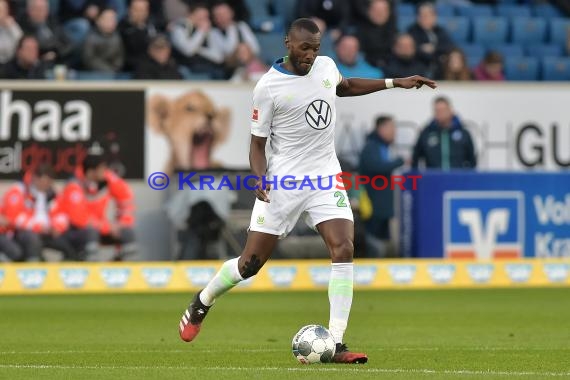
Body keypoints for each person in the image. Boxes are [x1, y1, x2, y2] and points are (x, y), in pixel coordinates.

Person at [177, 18, 436, 364]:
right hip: (284, 182)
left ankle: (337, 343)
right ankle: (202, 301)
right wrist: (260, 177)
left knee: (343, 248)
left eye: (315, 48)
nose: (311, 55)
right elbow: (257, 145)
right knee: (250, 264)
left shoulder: (326, 66)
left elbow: (343, 87)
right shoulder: (268, 87)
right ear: (287, 43)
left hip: (325, 177)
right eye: (304, 48)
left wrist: (394, 83)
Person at [59, 153, 136, 261]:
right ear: (91, 172)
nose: (105, 173)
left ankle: (119, 271)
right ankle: (89, 268)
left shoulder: (107, 179)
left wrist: (121, 223)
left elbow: (126, 196)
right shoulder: (74, 185)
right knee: (91, 233)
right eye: (102, 170)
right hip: (74, 231)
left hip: (99, 228)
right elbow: (79, 220)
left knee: (127, 232)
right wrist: (108, 228)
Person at [1, 164, 74, 261]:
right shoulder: (19, 190)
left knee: (68, 243)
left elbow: (62, 214)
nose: (46, 185)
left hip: (48, 232)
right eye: (44, 181)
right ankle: (33, 268)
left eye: (49, 182)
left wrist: (56, 227)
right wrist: (39, 227)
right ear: (35, 178)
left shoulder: (52, 194)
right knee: (31, 240)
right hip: (19, 232)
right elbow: (15, 217)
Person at [358, 115, 404, 258]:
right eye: (391, 127)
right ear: (381, 128)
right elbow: (377, 167)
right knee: (373, 245)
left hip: (383, 208)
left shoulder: (383, 147)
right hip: (373, 208)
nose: (394, 131)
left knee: (382, 245)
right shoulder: (371, 147)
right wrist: (399, 161)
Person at [412, 96, 476, 170]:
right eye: (437, 110)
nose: (440, 113)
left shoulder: (464, 133)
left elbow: (472, 161)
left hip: (457, 179)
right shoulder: (426, 134)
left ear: (450, 110)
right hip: (433, 180)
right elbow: (415, 158)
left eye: (443, 110)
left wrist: (465, 177)